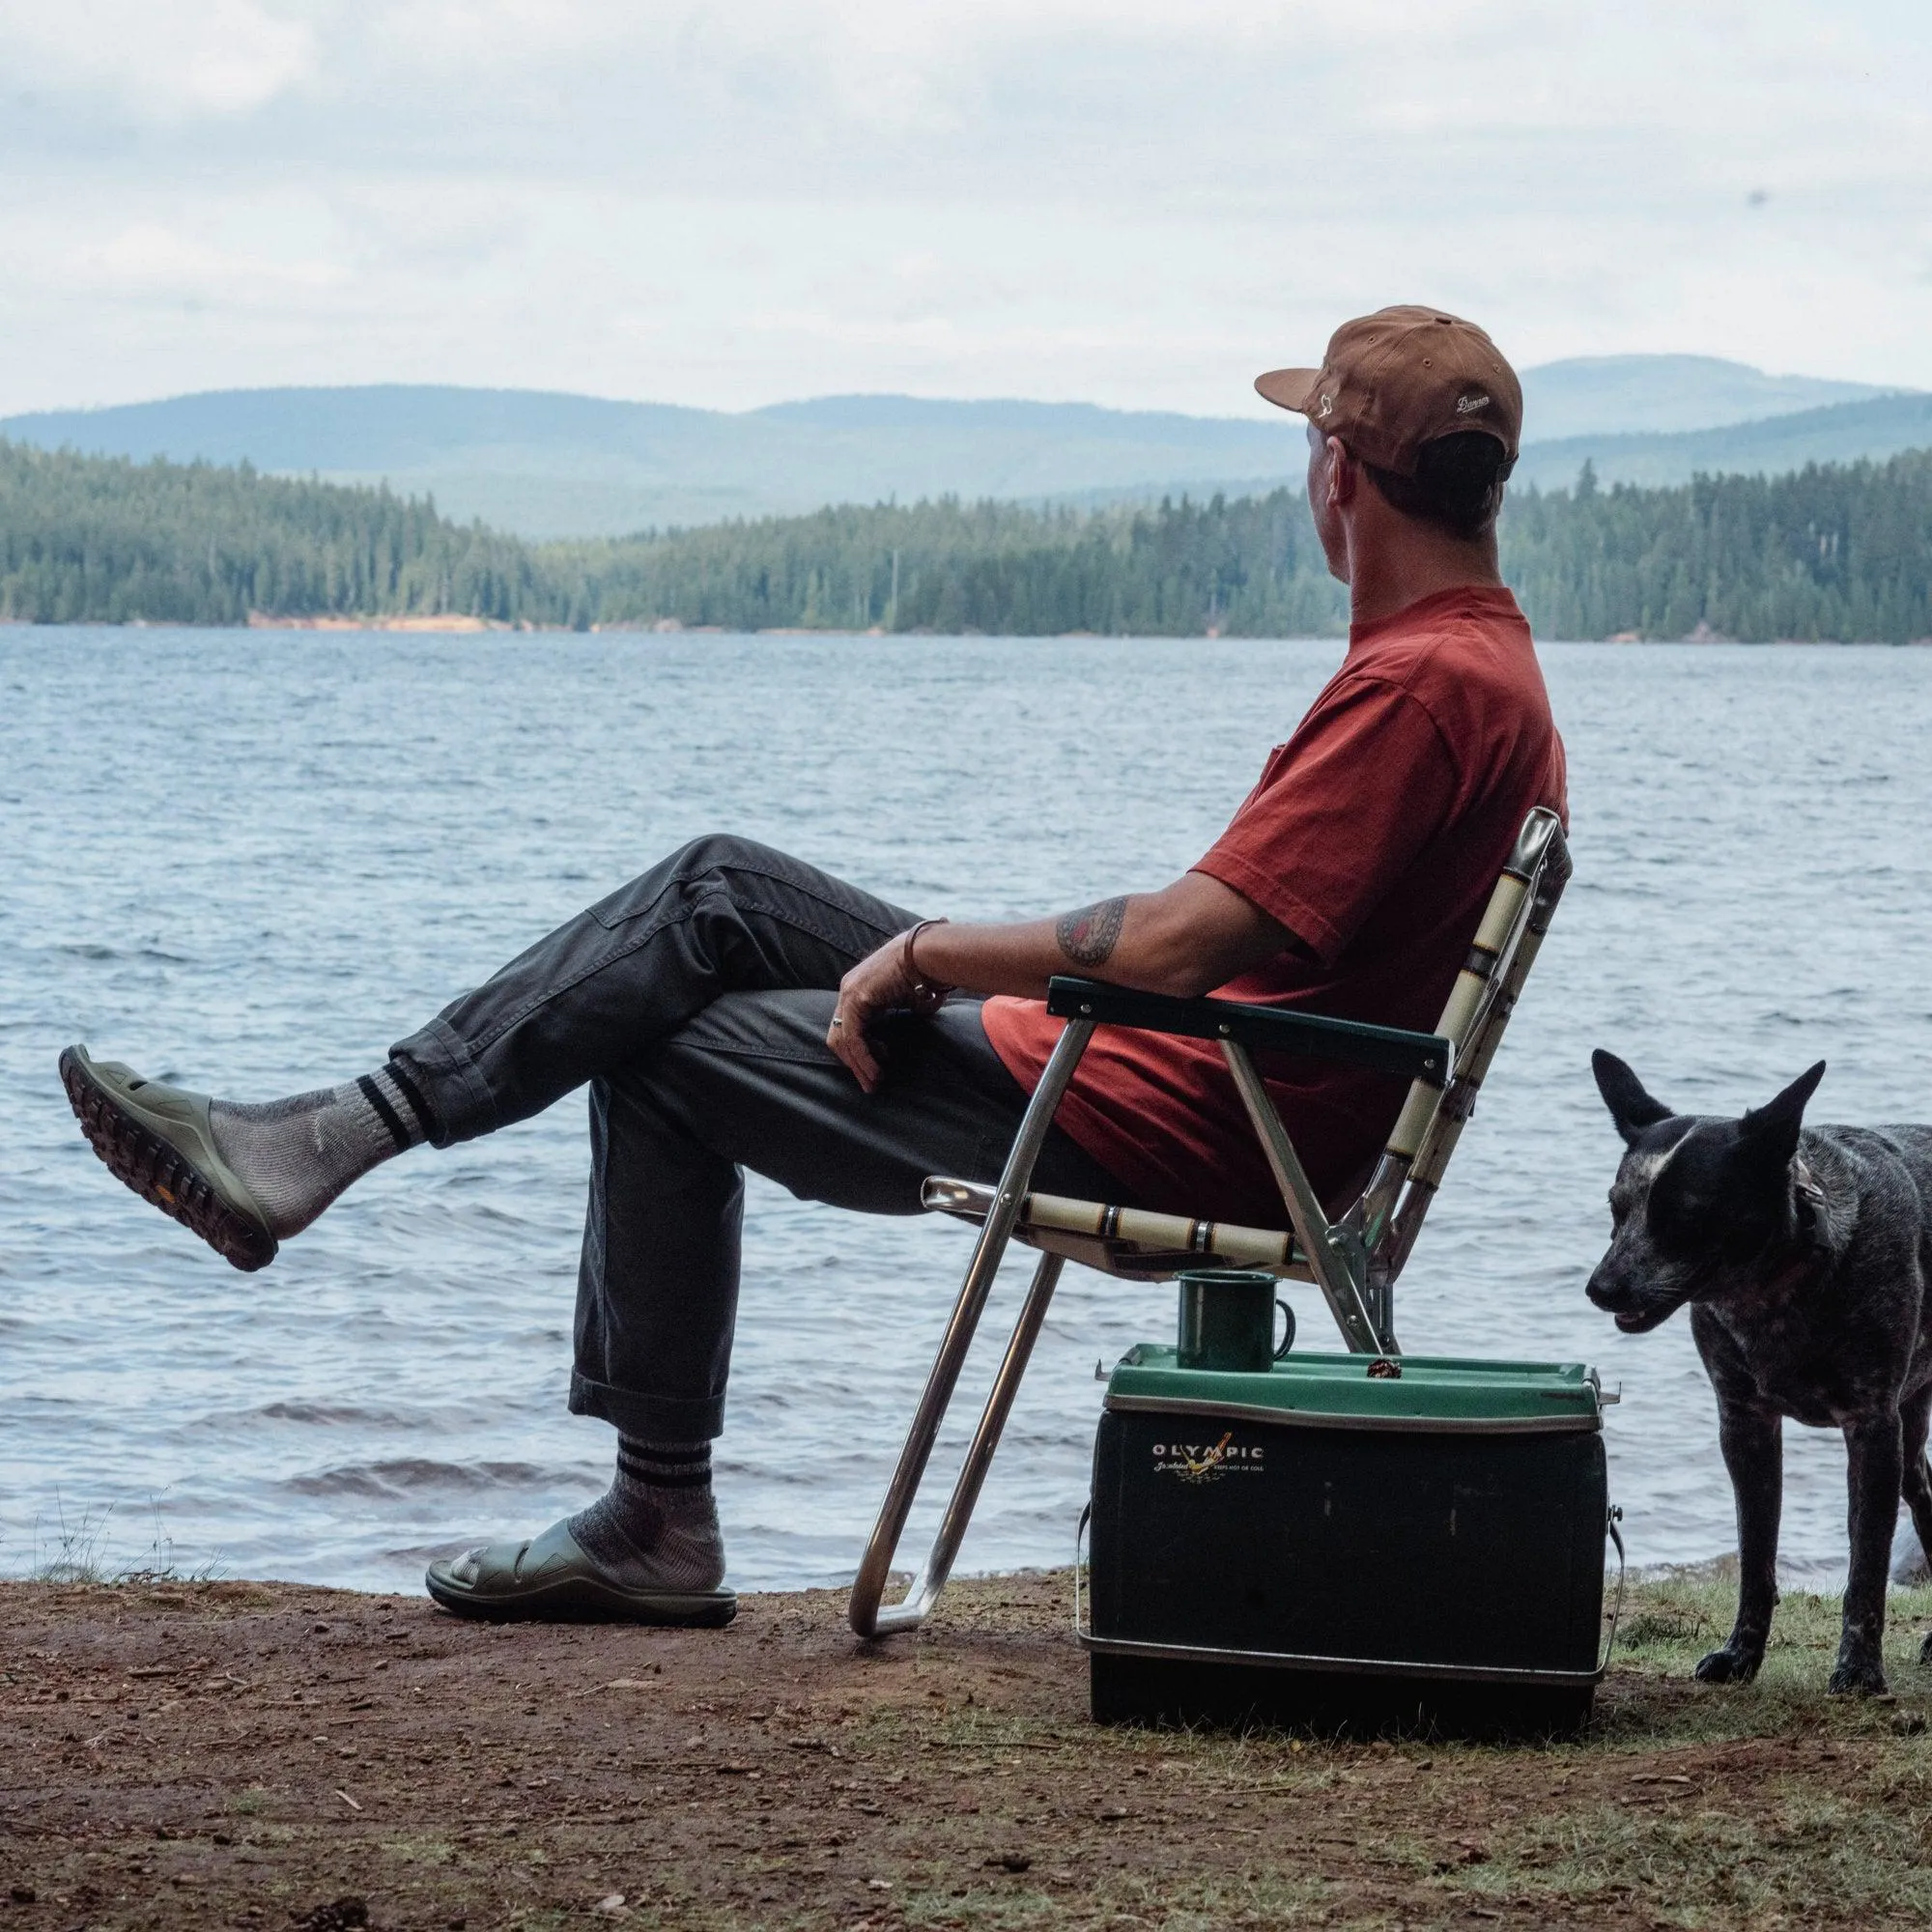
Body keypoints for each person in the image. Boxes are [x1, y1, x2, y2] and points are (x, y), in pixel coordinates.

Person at [60, 304, 1567, 1628]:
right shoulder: (1482, 665)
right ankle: (328, 1138)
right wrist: (938, 967)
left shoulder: (1420, 686)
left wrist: (919, 954)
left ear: (1338, 476)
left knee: (652, 1040)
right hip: (1195, 1080)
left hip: (1175, 1115)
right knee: (718, 893)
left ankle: (653, 1509)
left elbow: (1178, 944)